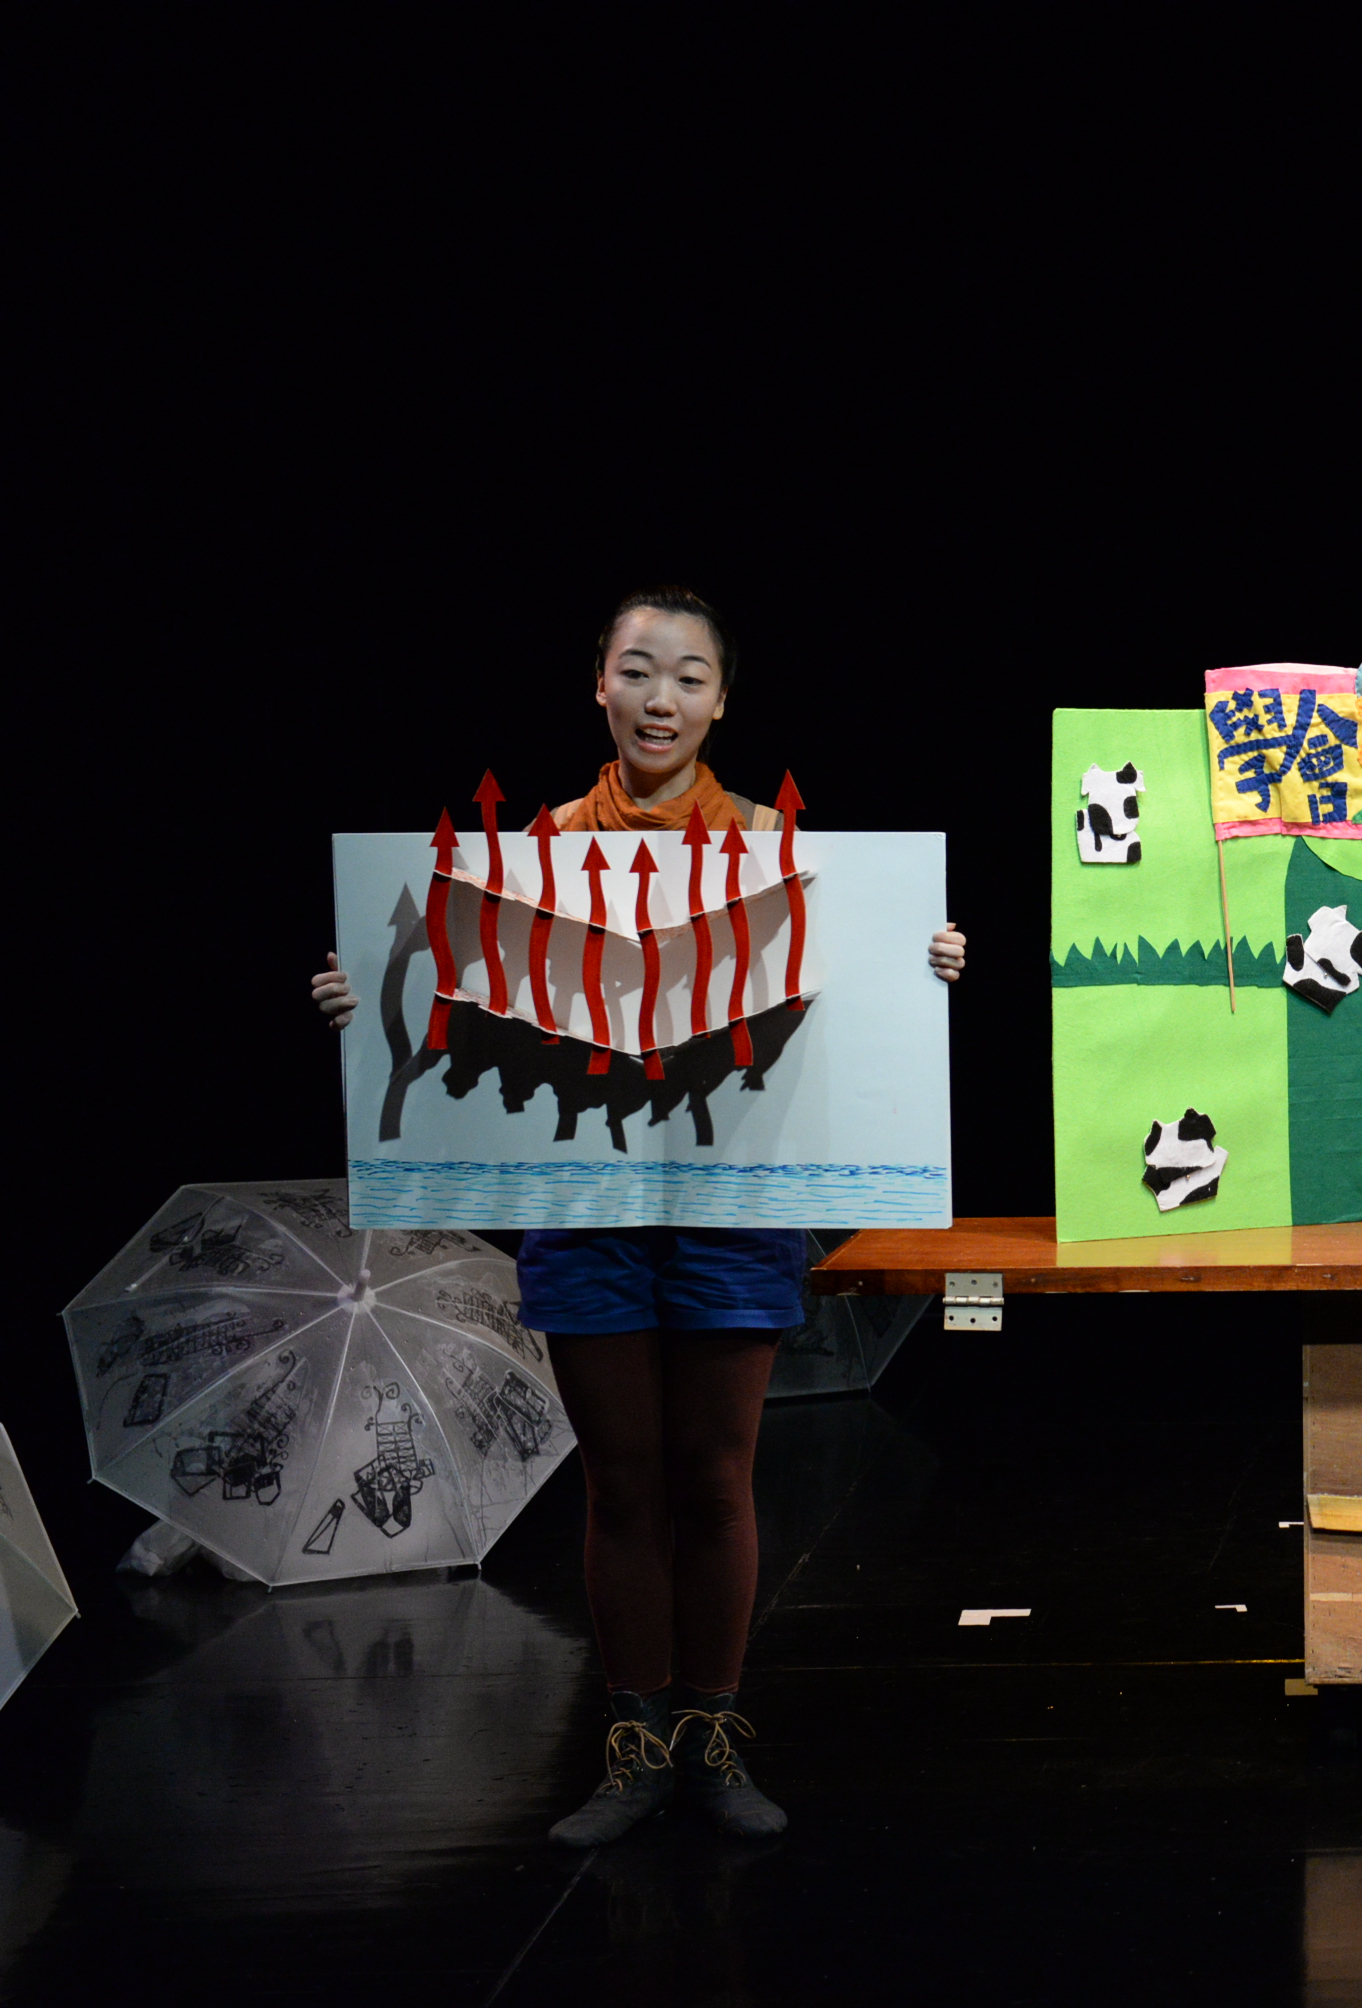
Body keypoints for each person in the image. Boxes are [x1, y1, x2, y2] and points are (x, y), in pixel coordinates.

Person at [313, 586, 966, 1842]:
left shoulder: (780, 848)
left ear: (721, 701)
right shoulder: (535, 849)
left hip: (732, 1202)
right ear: (599, 686)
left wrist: (920, 962)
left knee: (715, 1476)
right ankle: (634, 1745)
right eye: (637, 670)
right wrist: (366, 995)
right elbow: (453, 986)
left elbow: (845, 1004)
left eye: (688, 676)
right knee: (620, 1483)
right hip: (584, 1200)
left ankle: (712, 1737)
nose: (660, 698)